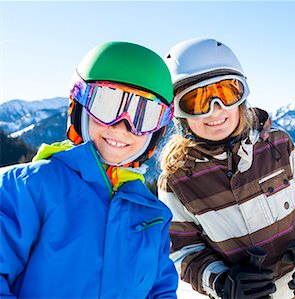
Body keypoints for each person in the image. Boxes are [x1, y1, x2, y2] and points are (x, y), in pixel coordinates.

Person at [157, 37, 295, 299]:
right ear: (179, 114)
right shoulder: (178, 180)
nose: (215, 111)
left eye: (226, 93)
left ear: (242, 97)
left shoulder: (277, 144)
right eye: (196, 101)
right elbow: (184, 250)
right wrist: (222, 282)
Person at [0, 41, 178, 298]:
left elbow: (160, 291)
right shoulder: (26, 188)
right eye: (107, 105)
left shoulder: (152, 214)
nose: (121, 126)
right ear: (80, 106)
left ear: (156, 130)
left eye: (143, 115)